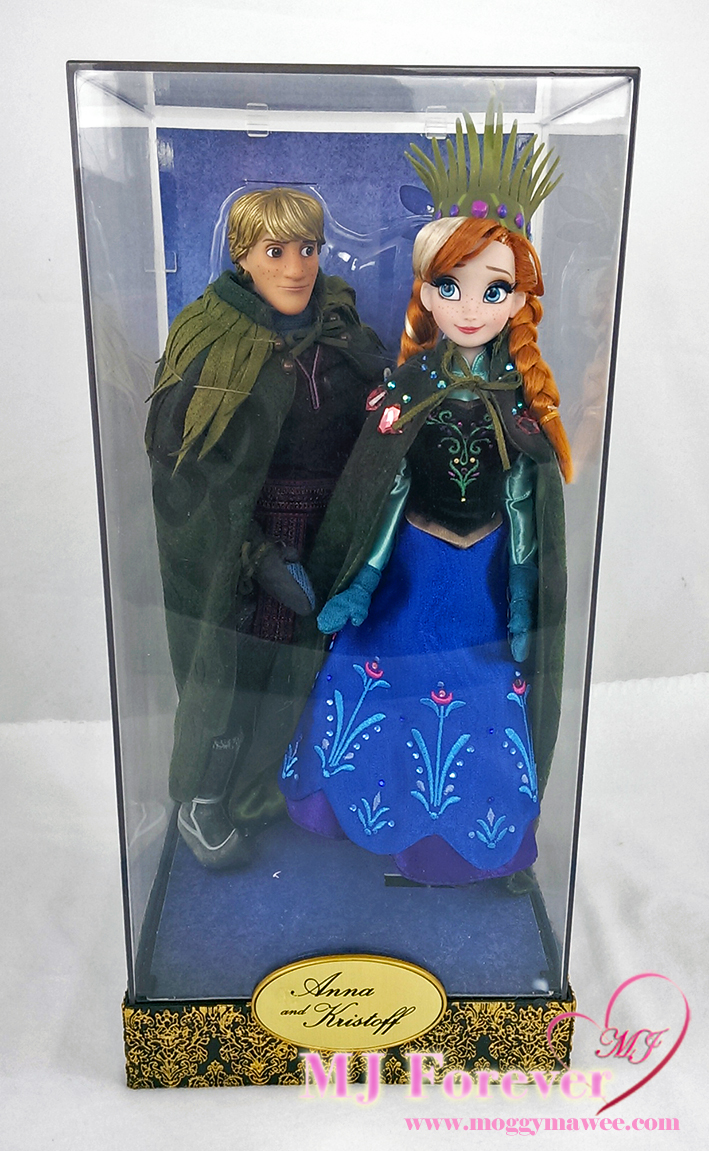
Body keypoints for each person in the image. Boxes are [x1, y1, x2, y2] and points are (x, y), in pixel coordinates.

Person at [278, 109, 571, 885]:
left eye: (493, 288)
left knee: (482, 693)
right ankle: (370, 815)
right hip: (408, 567)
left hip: (482, 579)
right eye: (450, 286)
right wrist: (363, 579)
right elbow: (385, 488)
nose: (470, 308)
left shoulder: (519, 401)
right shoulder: (406, 387)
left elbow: (523, 500)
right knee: (384, 676)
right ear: (426, 293)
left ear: (519, 298)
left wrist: (523, 600)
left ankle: (462, 840)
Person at [146, 187, 386, 868]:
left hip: (334, 529)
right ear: (242, 256)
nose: (296, 267)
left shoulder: (341, 330)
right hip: (248, 541)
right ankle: (206, 798)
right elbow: (184, 465)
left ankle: (305, 788)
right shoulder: (214, 340)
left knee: (319, 667)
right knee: (239, 668)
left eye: (308, 248)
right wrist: (257, 555)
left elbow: (382, 415)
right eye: (275, 251)